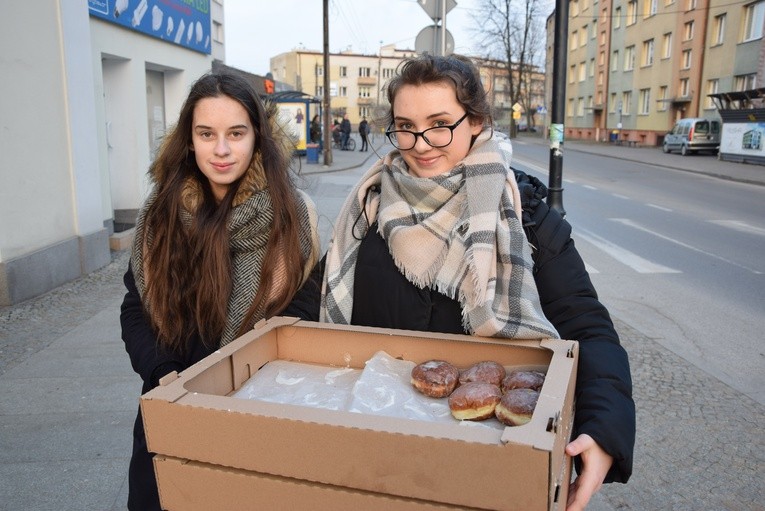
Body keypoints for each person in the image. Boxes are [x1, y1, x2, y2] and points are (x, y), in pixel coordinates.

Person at [284, 54, 634, 511]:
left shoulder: (525, 218)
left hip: (488, 467)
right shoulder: (368, 210)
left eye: (440, 123)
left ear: (476, 122)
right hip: (375, 458)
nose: (421, 144)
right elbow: (315, 298)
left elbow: (587, 326)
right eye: (405, 126)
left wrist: (603, 429)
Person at [120, 70, 319, 511]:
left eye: (236, 133)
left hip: (257, 413)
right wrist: (164, 374)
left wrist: (245, 373)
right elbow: (136, 308)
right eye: (207, 134)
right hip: (171, 402)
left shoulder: (293, 215)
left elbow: (303, 310)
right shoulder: (160, 215)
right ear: (189, 140)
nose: (223, 149)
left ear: (257, 137)